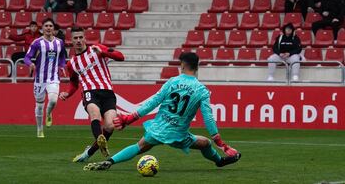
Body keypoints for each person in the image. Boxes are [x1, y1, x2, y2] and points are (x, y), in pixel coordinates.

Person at [83, 52, 241, 171]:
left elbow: (153, 101)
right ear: (197, 67)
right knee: (205, 143)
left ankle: (109, 162)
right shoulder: (202, 90)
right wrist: (220, 142)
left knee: (140, 146)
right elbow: (208, 118)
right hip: (178, 134)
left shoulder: (173, 81)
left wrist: (131, 117)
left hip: (158, 128)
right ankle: (219, 161)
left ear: (183, 66)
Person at [58, 27, 125, 162]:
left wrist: (105, 52)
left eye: (80, 37)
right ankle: (99, 140)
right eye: (75, 38)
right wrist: (67, 93)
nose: (78, 40)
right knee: (94, 113)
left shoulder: (96, 49)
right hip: (89, 92)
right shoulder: (72, 63)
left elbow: (121, 57)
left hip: (107, 92)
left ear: (85, 38)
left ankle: (90, 151)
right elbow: (74, 83)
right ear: (71, 41)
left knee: (110, 126)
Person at [24, 18, 67, 138]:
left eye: (51, 26)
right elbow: (26, 57)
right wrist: (30, 64)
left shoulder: (59, 42)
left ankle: (48, 113)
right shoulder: (37, 42)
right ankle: (39, 129)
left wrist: (62, 66)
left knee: (53, 100)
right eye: (46, 26)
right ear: (42, 28)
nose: (48, 28)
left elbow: (62, 57)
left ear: (54, 29)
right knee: (39, 105)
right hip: (40, 79)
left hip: (53, 77)